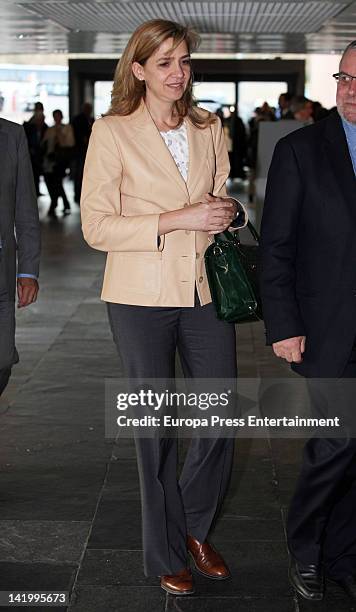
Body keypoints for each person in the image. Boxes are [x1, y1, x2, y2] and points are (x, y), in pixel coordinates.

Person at [81, 19, 247, 596]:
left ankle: (195, 529)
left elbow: (226, 193)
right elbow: (96, 227)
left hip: (203, 292)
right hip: (137, 298)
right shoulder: (112, 132)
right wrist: (179, 218)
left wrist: (231, 210)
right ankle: (166, 553)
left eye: (184, 62)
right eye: (164, 63)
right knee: (153, 428)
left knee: (219, 414)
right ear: (139, 70)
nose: (178, 74)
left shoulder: (209, 126)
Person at [260, 40, 356, 602]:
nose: (348, 89)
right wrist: (283, 324)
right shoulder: (300, 150)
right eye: (343, 78)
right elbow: (277, 247)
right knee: (338, 441)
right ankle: (305, 546)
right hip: (326, 328)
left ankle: (342, 554)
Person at [0, 119, 40, 396]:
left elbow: (25, 208)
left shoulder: (11, 135)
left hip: (1, 272)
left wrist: (28, 271)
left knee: (3, 360)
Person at [42, 109, 75, 216]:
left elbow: (70, 144)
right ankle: (63, 203)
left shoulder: (67, 128)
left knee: (57, 181)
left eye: (58, 116)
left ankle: (56, 204)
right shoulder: (50, 130)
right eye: (54, 116)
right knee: (52, 182)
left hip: (61, 160)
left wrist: (60, 135)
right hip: (50, 160)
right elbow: (44, 143)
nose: (56, 118)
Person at [23, 102, 48, 197]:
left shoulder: (44, 126)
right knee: (33, 175)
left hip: (40, 154)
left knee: (39, 174)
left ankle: (36, 191)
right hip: (31, 154)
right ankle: (34, 191)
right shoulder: (29, 125)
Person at [71, 102, 94, 204]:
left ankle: (82, 195)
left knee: (85, 175)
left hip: (88, 151)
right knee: (79, 174)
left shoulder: (91, 119)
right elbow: (77, 135)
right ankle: (77, 195)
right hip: (80, 151)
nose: (88, 110)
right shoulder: (78, 119)